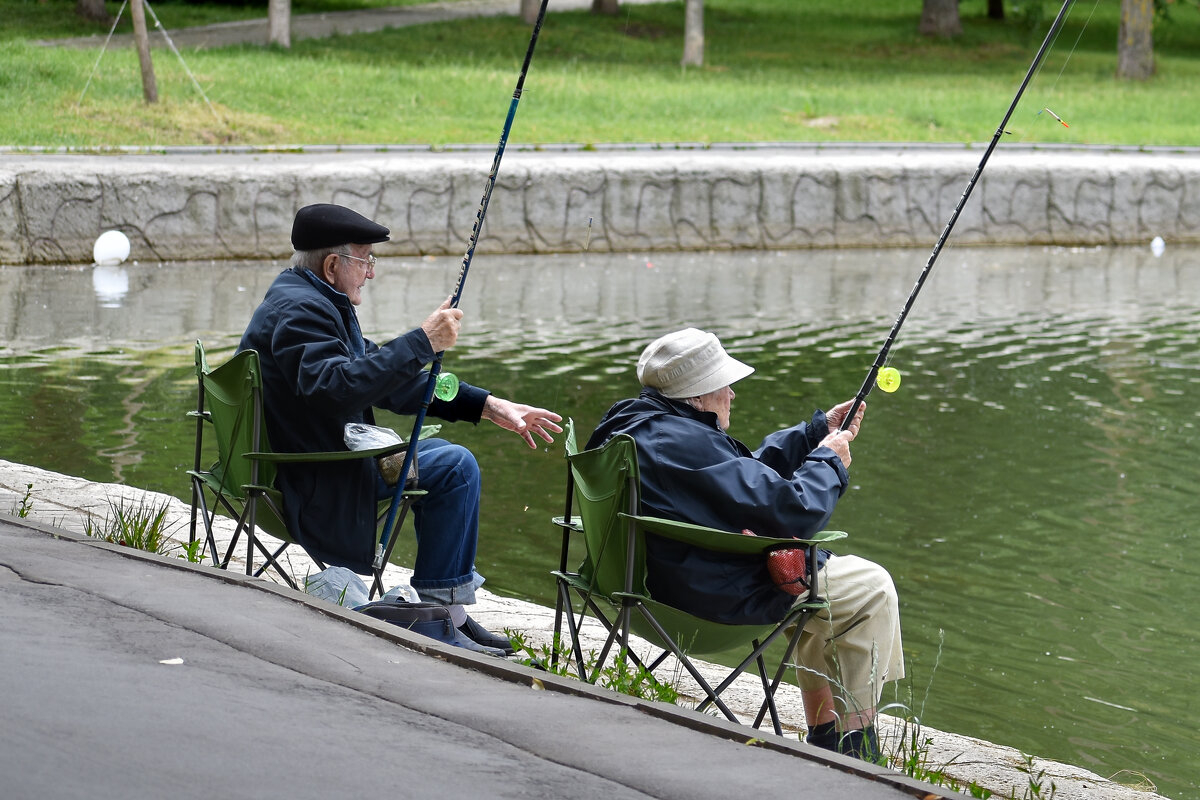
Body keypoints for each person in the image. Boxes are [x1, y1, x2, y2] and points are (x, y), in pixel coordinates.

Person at [240, 203, 562, 655]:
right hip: (318, 473)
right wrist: (422, 341)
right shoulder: (302, 311)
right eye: (365, 260)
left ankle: (445, 614)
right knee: (455, 467)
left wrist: (485, 405)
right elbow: (338, 389)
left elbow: (382, 379)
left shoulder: (307, 298)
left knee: (452, 463)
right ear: (332, 265)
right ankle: (441, 616)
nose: (371, 272)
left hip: (317, 459)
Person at [586, 327, 903, 759]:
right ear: (699, 393)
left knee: (827, 591)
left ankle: (826, 735)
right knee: (870, 588)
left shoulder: (635, 425)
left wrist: (814, 434)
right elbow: (792, 510)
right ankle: (854, 747)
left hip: (644, 585)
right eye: (724, 384)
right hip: (703, 599)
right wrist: (830, 463)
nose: (732, 393)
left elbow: (737, 477)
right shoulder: (681, 442)